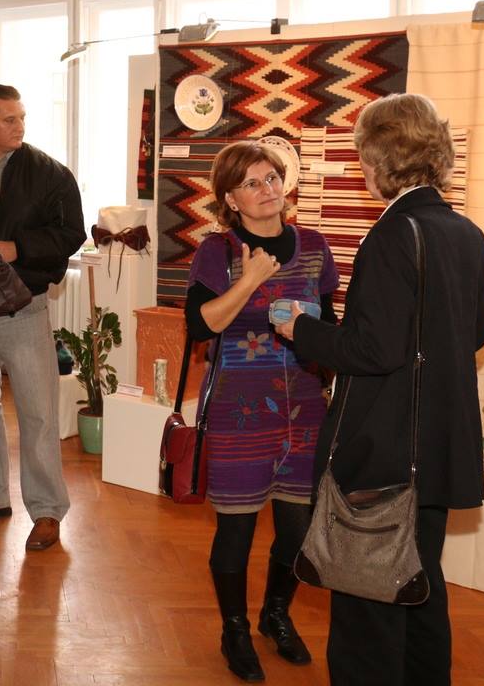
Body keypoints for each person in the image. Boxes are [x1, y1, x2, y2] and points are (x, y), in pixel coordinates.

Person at [275, 93, 484, 686]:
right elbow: (477, 329)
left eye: (362, 155)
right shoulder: (465, 232)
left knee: (367, 609)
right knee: (420, 591)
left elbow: (373, 350)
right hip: (437, 446)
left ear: (379, 158)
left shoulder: (393, 234)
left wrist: (303, 331)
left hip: (387, 451)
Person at [187, 140, 339, 682]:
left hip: (305, 408)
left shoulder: (315, 247)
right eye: (251, 183)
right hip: (240, 409)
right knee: (237, 530)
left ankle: (276, 614)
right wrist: (250, 279)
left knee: (297, 529)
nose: (267, 189)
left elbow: (330, 327)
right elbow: (200, 324)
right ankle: (234, 629)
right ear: (231, 198)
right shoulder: (219, 251)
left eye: (272, 177)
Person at [0, 84, 85, 552]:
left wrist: (19, 247)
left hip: (23, 306)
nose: (20, 127)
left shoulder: (50, 173)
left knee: (38, 413)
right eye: (9, 119)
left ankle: (46, 511)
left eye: (22, 117)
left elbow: (71, 233)